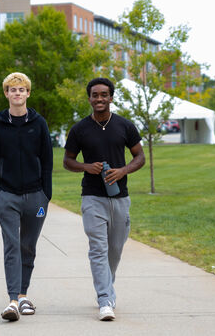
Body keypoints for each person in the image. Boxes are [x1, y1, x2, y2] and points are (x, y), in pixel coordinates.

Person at [63, 77, 145, 321]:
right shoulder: (79, 129)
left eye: (104, 95)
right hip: (92, 198)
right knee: (98, 249)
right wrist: (86, 167)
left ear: (111, 97)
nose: (99, 99)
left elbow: (139, 157)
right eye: (95, 95)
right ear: (89, 98)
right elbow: (68, 161)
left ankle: (107, 288)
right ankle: (105, 300)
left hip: (120, 197)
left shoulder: (125, 126)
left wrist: (123, 171)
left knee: (115, 250)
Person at [0, 72, 53, 322]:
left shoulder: (39, 123)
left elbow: (47, 160)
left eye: (21, 90)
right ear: (6, 94)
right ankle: (13, 300)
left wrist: (46, 194)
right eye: (12, 90)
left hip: (36, 197)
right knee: (12, 246)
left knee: (28, 246)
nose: (17, 93)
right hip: (7, 196)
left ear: (28, 93)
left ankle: (24, 295)